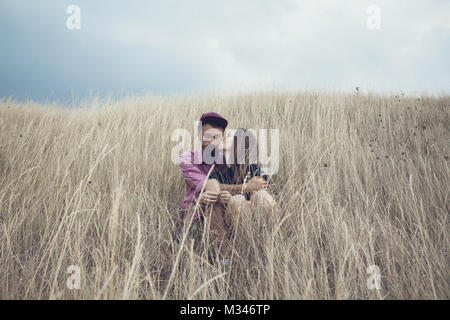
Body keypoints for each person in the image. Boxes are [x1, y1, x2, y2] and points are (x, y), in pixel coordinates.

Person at [210, 128, 279, 227]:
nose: (223, 137)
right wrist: (244, 187)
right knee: (237, 201)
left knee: (261, 196)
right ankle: (243, 241)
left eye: (229, 137)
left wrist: (251, 189)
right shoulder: (217, 170)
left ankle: (265, 237)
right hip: (230, 218)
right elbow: (213, 187)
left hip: (255, 217)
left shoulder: (253, 168)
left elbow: (260, 185)